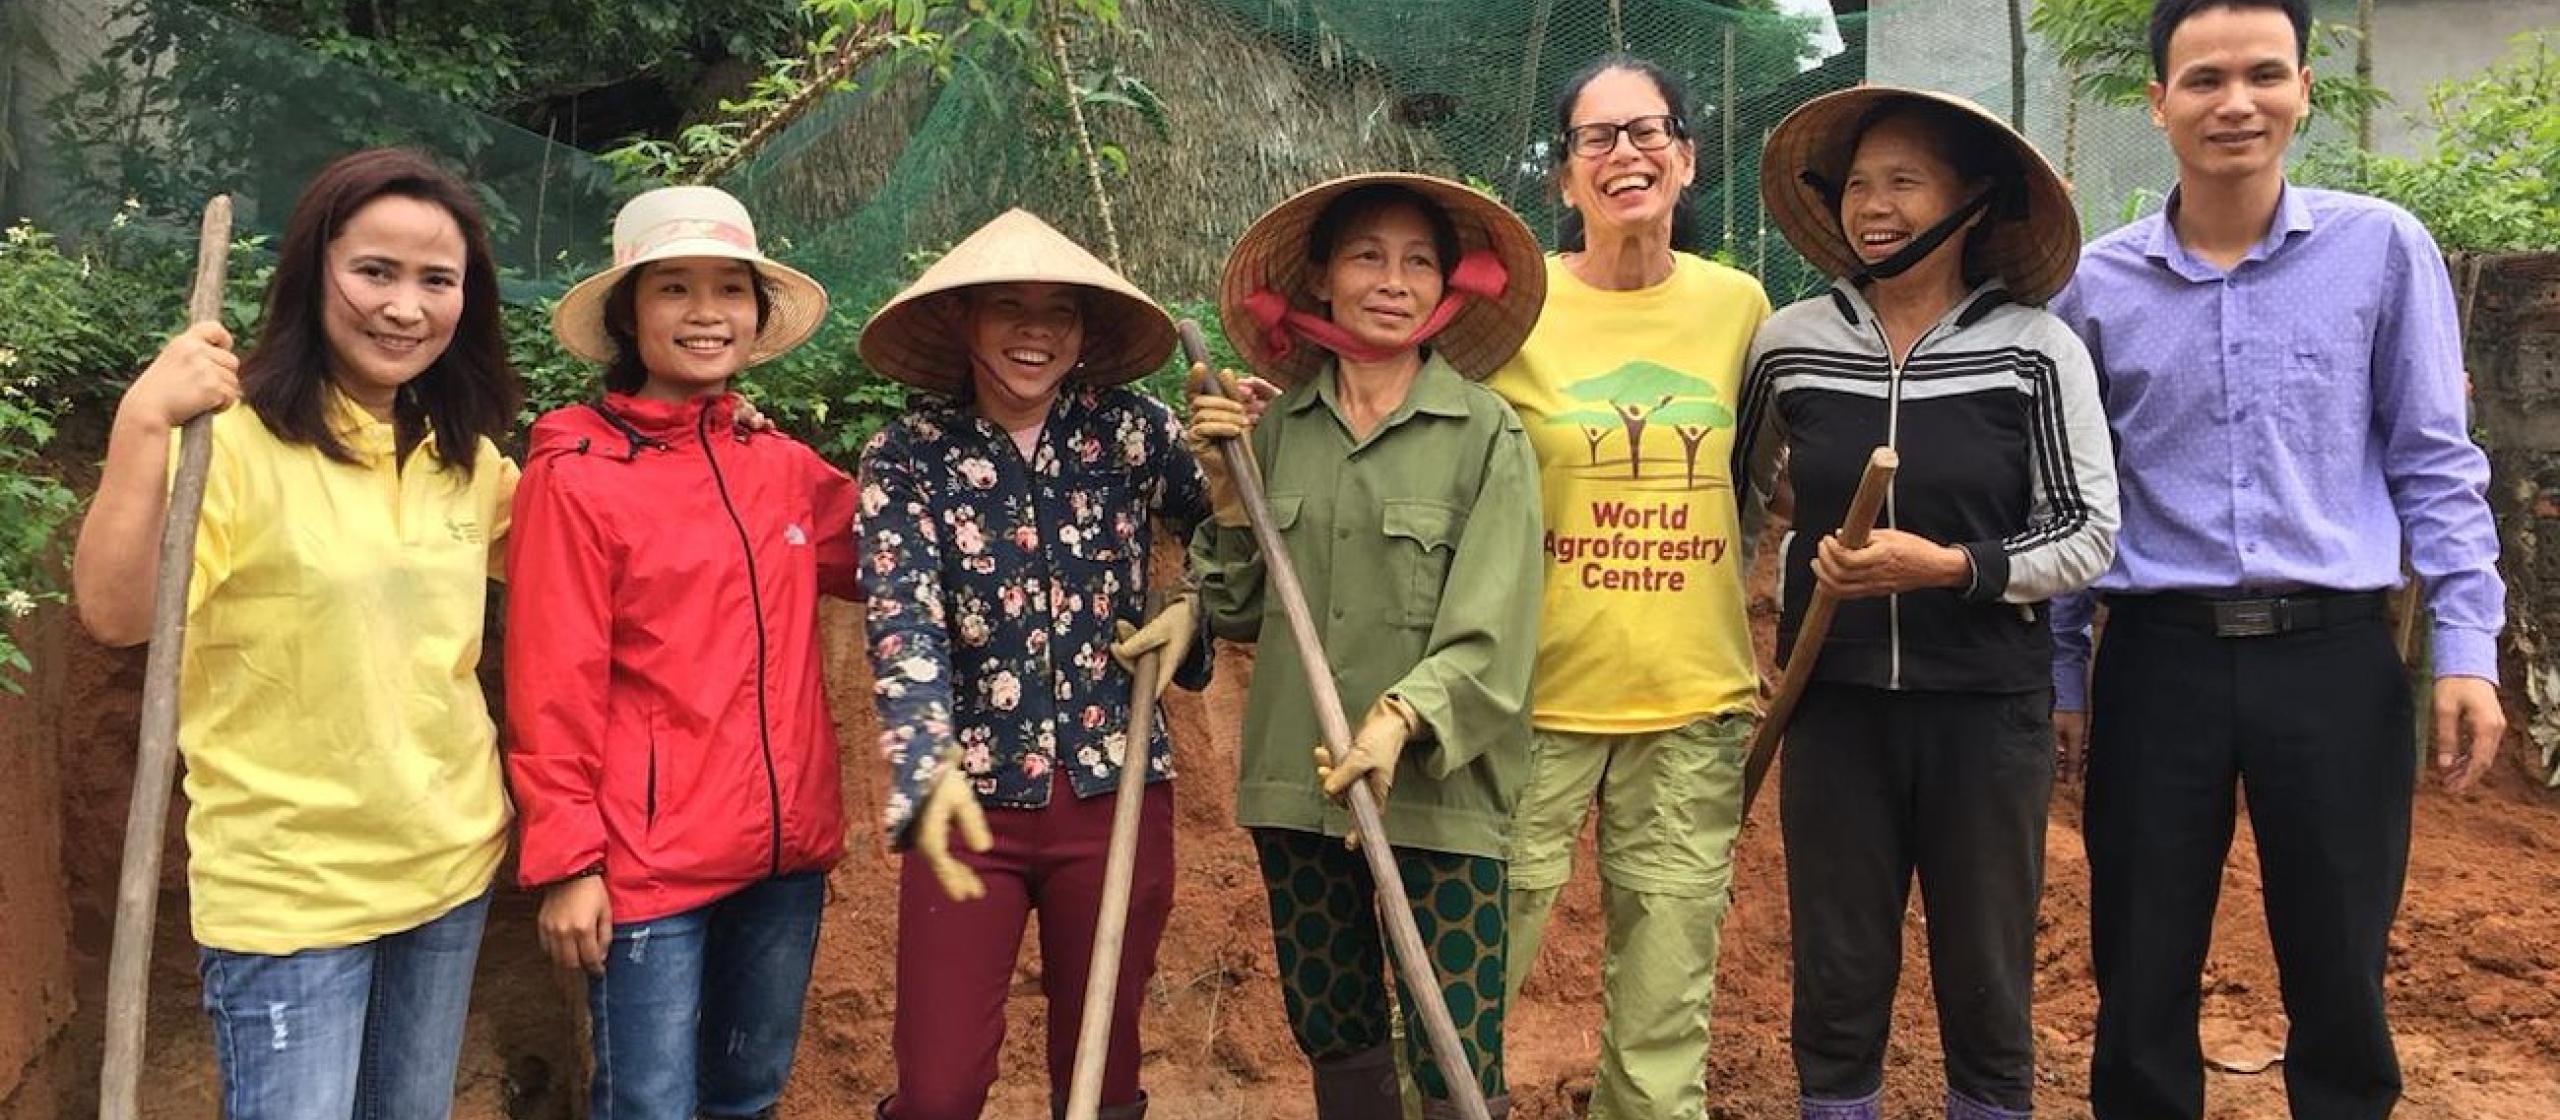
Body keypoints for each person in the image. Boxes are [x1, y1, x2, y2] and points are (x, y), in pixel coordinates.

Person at [2048, 2, 2510, 1117]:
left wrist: (2465, 644)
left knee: (2340, 962)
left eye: (2263, 74)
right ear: (2156, 102)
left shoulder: (2380, 250)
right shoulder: (2095, 289)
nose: (2235, 102)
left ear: (2304, 88)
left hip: (2336, 660)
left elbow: (2433, 460)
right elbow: (2067, 495)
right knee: (2141, 963)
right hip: (2159, 663)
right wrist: (2064, 674)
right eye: (2203, 80)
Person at [70, 147, 522, 1120]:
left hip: (449, 864)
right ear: (314, 272)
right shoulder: (226, 445)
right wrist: (145, 420)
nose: (405, 306)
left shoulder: (464, 457)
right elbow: (114, 610)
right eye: (374, 271)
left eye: (435, 280)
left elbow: (578, 564)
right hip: (290, 896)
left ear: (466, 299)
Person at [1737, 86, 2119, 1120]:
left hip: (1985, 710)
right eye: (1858, 182)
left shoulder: (2036, 351)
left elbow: (2086, 530)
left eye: (1904, 181)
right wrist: (1743, 632)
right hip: (1833, 703)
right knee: (1836, 961)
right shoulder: (1789, 343)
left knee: (1987, 966)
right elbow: (1733, 504)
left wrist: (1948, 565)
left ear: (1973, 200)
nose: (1874, 204)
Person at [1191, 171, 1546, 1120]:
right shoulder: (1274, 432)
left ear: (1448, 287)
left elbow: (1494, 634)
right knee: (1333, 1023)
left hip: (1440, 797)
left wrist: (1396, 722)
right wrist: (1230, 501)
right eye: (1366, 256)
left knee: (1453, 1038)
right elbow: (1231, 608)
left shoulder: (1486, 434)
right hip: (1297, 788)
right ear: (1318, 279)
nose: (1394, 280)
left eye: (1419, 261)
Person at [504, 184, 855, 1120]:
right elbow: (551, 681)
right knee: (650, 1106)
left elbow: (899, 554)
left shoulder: (778, 465)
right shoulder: (576, 475)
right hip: (644, 868)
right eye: (674, 289)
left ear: (757, 311)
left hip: (782, 859)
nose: (707, 313)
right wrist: (568, 861)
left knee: (747, 1095)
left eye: (730, 289)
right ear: (629, 314)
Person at [855, 208, 1211, 1120]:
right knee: (939, 1087)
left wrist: (1192, 606)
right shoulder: (906, 457)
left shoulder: (1135, 431)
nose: (1035, 331)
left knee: (1096, 1065)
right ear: (962, 321)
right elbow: (905, 624)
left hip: (1117, 785)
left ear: (1085, 333)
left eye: (1060, 311)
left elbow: (1240, 523)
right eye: (1009, 306)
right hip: (968, 803)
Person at [1481, 56, 1772, 1120]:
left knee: (1663, 1007)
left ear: (1687, 159)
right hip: (1527, 703)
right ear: (1562, 180)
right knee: (1470, 972)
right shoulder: (1513, 312)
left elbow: (1772, 472)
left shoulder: (1740, 307)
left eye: (1647, 132)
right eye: (1595, 140)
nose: (1624, 155)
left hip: (1690, 703)